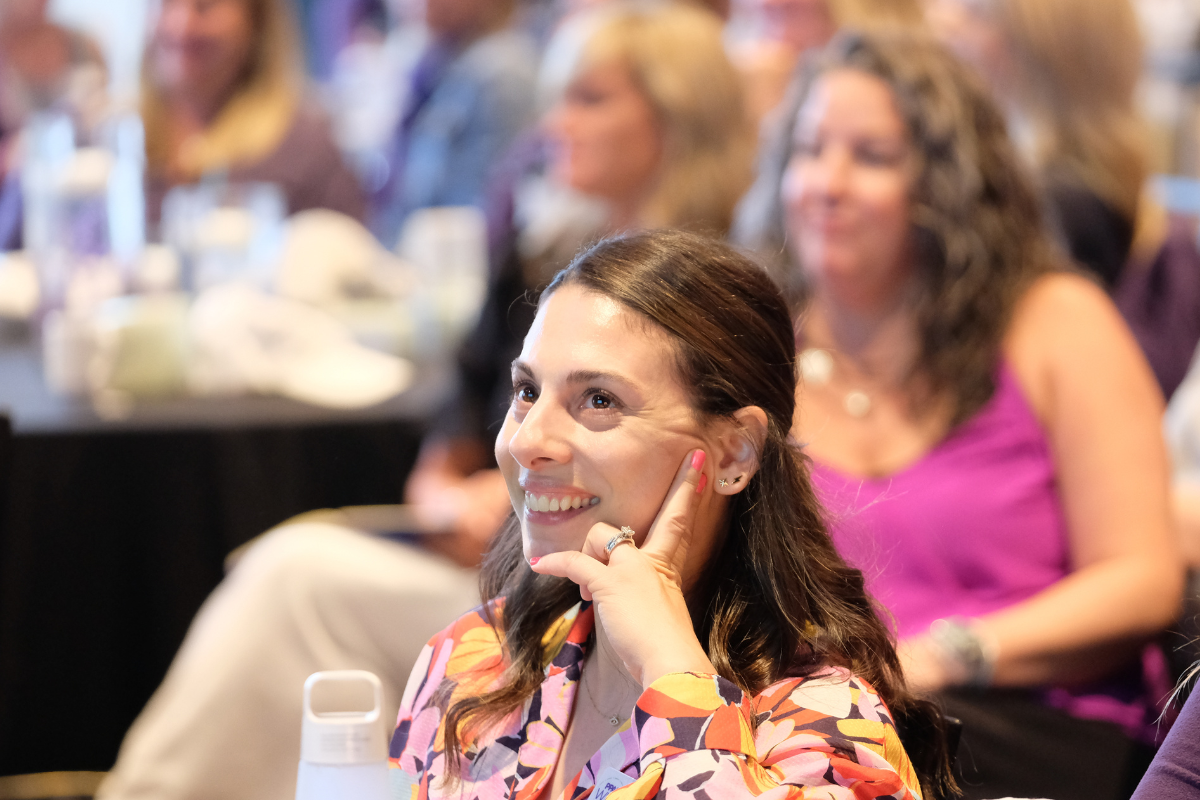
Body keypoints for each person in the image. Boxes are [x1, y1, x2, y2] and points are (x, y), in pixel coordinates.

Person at [97, 6, 754, 799]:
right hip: (507, 575)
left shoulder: (729, 301)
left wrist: (524, 508)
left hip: (648, 605)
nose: (554, 124)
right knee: (301, 582)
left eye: (589, 99)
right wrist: (454, 489)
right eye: (528, 391)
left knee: (292, 580)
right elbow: (463, 420)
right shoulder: (541, 252)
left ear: (677, 115)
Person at [736, 30, 1182, 800]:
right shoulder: (759, 346)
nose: (826, 183)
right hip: (807, 724)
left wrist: (945, 654)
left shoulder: (1055, 322)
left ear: (947, 187)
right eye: (808, 150)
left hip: (1024, 719)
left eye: (871, 157)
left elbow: (1142, 579)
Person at [390, 228, 955, 800]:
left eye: (599, 399)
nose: (526, 440)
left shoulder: (824, 719)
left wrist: (672, 670)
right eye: (527, 391)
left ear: (734, 452)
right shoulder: (474, 659)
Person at [924, 0, 1200, 397]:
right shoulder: (1097, 179)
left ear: (1032, 47)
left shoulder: (1060, 203)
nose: (945, 23)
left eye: (976, 15)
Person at [141, 0, 365, 225]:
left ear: (257, 21)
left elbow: (347, 242)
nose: (180, 25)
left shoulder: (304, 148)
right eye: (165, 4)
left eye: (206, 6)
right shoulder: (128, 134)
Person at [367, 0, 538, 248]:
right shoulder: (439, 55)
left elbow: (482, 212)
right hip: (407, 242)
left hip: (444, 254)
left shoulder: (501, 73)